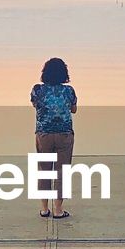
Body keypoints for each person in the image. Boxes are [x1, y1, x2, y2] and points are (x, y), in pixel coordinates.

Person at [30, 57, 77, 218]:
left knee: (44, 171)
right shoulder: (69, 91)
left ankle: (44, 209)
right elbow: (74, 109)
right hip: (64, 134)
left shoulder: (37, 90)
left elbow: (36, 106)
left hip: (44, 134)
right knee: (61, 172)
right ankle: (58, 210)